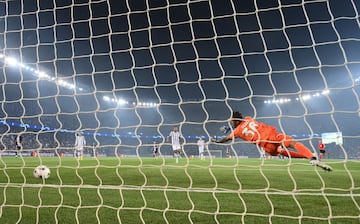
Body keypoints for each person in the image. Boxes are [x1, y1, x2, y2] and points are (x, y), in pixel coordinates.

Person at [214, 111, 332, 171]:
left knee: (280, 151)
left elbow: (226, 139)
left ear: (235, 121)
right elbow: (242, 123)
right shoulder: (248, 118)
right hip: (270, 135)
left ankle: (308, 157)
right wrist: (231, 126)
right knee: (293, 143)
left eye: (231, 121)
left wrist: (218, 141)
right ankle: (312, 158)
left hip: (265, 146)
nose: (231, 123)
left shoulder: (236, 132)